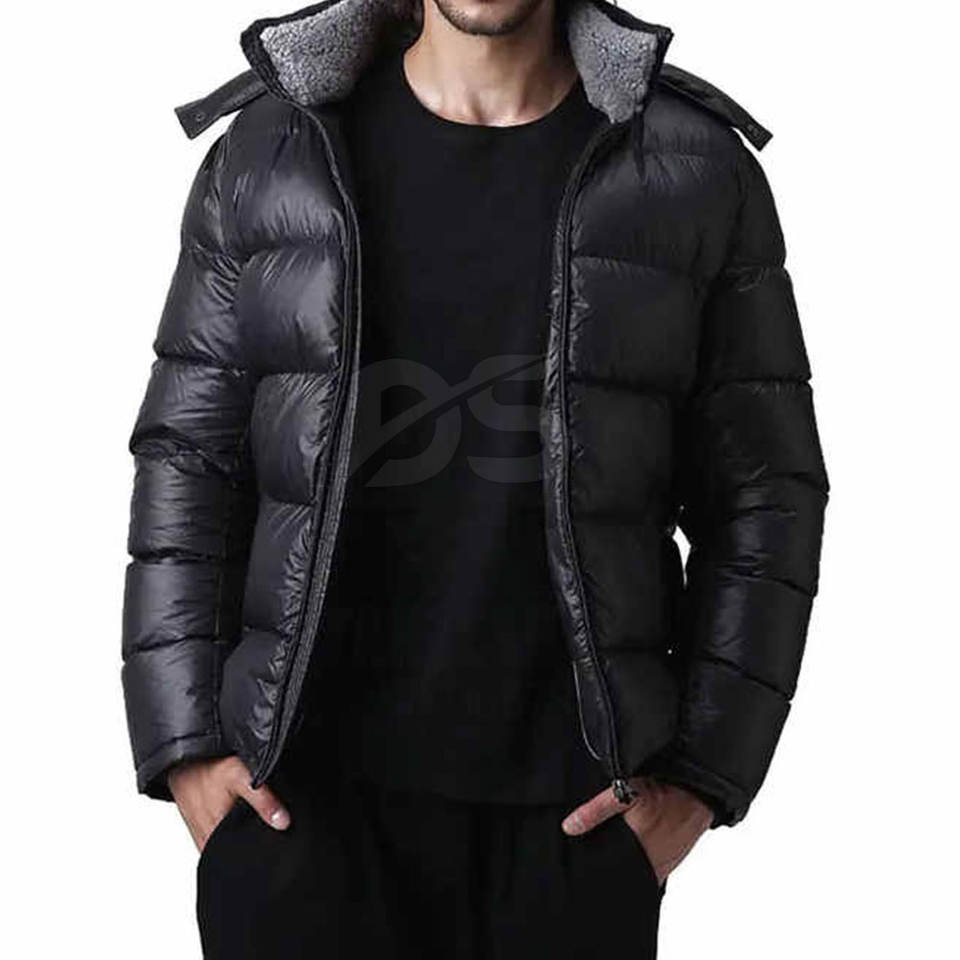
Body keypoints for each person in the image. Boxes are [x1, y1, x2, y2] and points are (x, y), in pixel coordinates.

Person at [120, 0, 828, 956]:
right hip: (299, 815)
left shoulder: (691, 169)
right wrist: (189, 751)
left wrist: (704, 776)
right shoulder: (272, 152)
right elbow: (188, 458)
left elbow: (767, 492)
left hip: (575, 833)